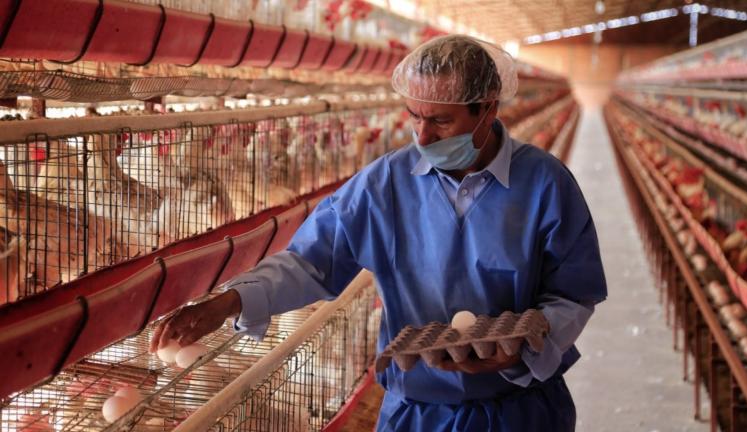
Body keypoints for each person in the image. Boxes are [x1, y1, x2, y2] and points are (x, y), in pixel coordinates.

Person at [151, 34, 607, 431]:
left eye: (441, 121)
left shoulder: (546, 184)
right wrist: (233, 300)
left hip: (520, 413)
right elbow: (311, 262)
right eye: (414, 117)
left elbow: (573, 295)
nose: (422, 137)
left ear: (487, 110)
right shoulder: (385, 182)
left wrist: (525, 347)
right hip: (418, 414)